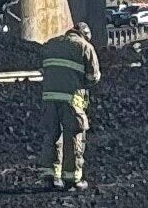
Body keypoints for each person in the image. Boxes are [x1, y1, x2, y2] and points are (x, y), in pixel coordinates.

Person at [40, 21, 102, 190]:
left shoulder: (51, 44)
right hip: (72, 99)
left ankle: (49, 176)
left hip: (49, 97)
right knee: (74, 135)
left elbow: (44, 70)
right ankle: (72, 178)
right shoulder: (85, 47)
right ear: (85, 35)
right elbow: (93, 77)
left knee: (51, 135)